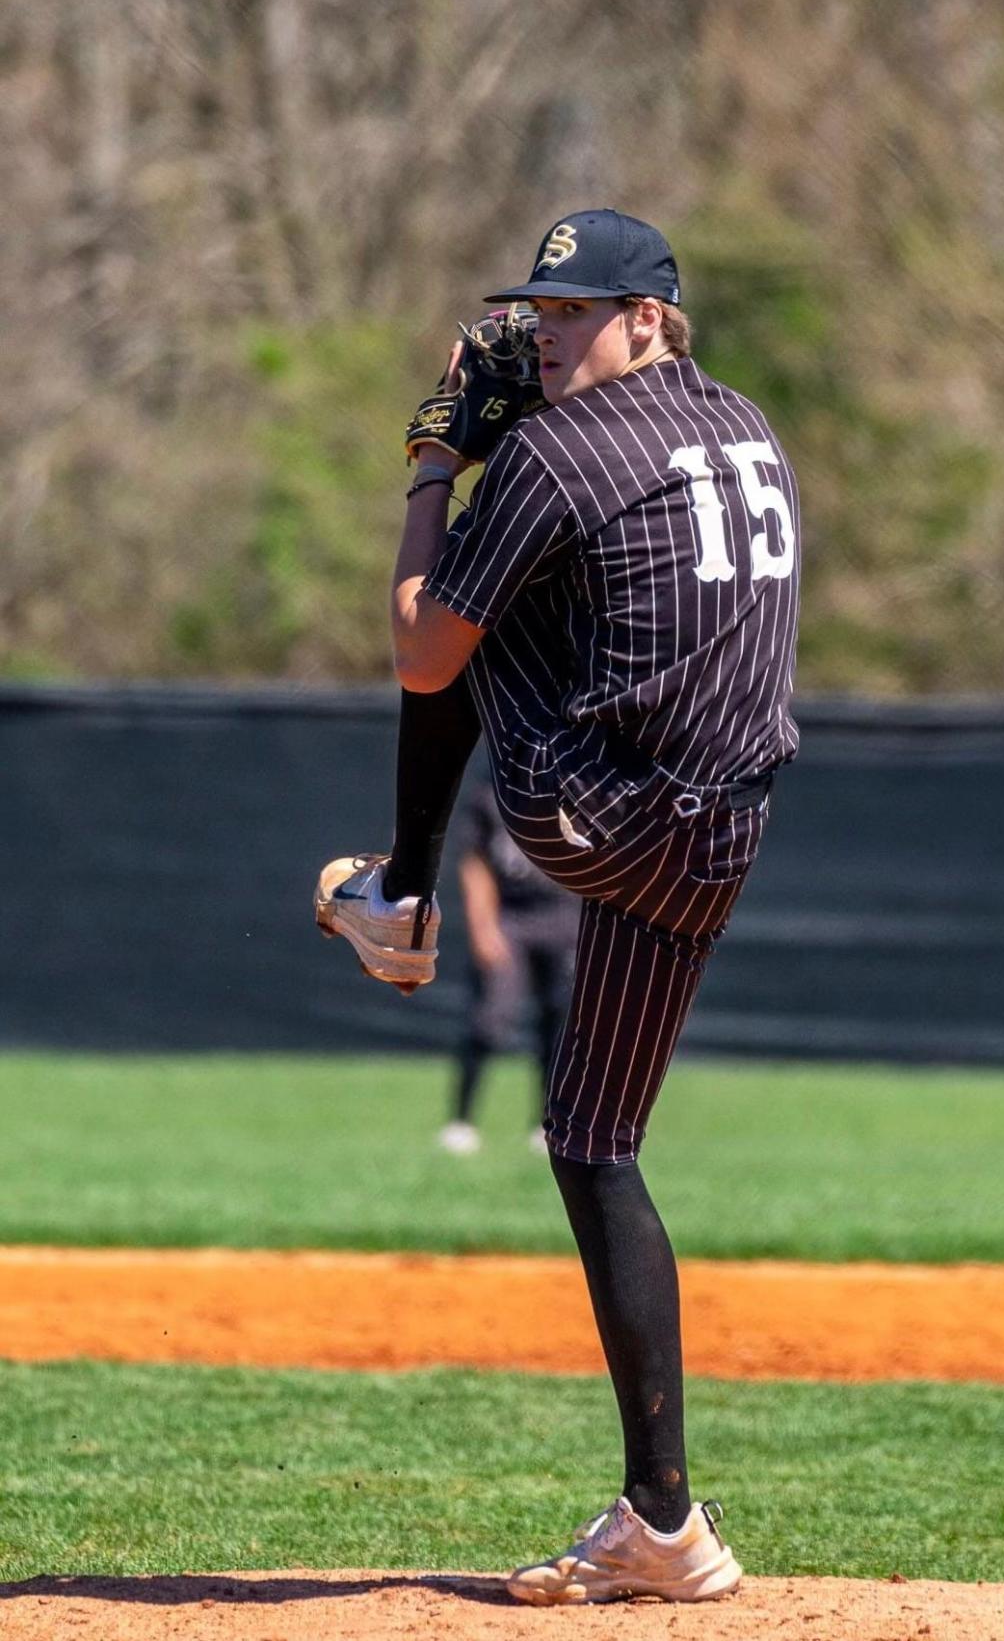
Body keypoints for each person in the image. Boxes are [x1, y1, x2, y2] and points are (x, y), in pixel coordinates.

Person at [316, 208, 800, 1604]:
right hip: (724, 836)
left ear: (649, 316)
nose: (547, 331)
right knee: (592, 1140)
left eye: (576, 310)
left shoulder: (544, 456)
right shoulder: (744, 418)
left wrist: (431, 458)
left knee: (468, 605)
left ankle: (403, 891)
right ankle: (665, 1522)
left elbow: (420, 648)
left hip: (591, 818)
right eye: (538, 310)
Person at [439, 782, 578, 1156]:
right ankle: (461, 1120)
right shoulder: (493, 794)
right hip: (510, 918)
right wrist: (482, 926)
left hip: (563, 915)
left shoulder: (577, 785)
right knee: (490, 1019)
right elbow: (476, 862)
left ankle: (547, 1122)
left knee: (558, 1023)